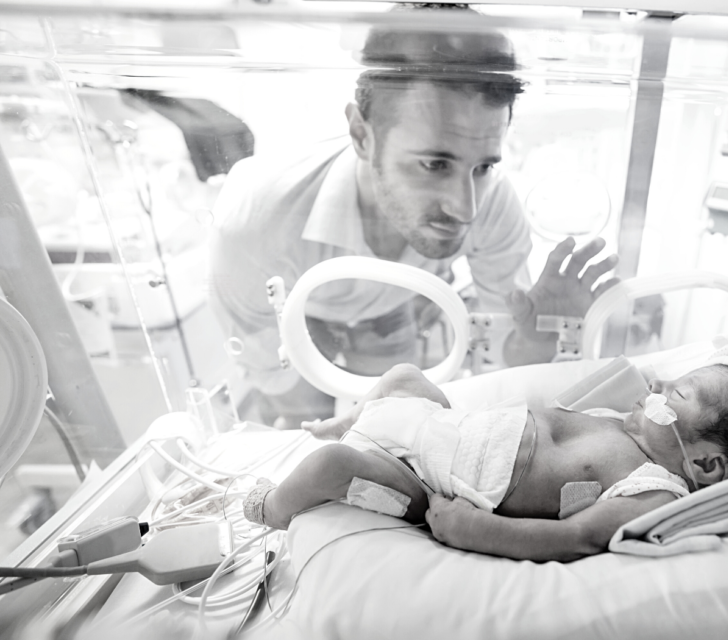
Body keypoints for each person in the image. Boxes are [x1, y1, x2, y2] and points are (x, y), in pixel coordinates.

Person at [208, 7, 619, 428]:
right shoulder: (258, 216)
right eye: (434, 165)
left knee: (392, 425)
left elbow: (496, 365)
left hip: (395, 308)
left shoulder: (493, 201)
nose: (466, 209)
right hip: (295, 317)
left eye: (482, 166)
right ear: (362, 135)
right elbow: (264, 360)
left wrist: (537, 336)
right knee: (300, 433)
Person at [241, 332, 728, 561]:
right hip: (443, 429)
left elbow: (575, 537)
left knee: (333, 466)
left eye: (682, 393)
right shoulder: (625, 423)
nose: (660, 388)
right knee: (402, 377)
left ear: (705, 462)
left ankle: (272, 507)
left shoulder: (652, 489)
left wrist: (473, 531)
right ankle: (354, 419)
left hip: (431, 482)